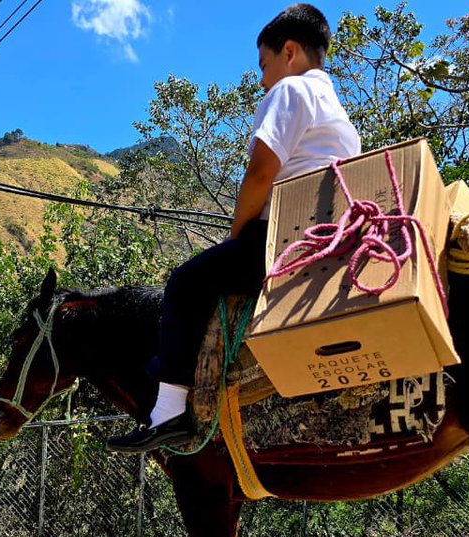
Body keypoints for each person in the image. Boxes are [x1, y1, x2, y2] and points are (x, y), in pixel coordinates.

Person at [108, 4, 361, 452]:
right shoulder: (343, 121)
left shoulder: (291, 92)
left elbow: (261, 174)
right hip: (331, 239)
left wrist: (237, 232)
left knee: (185, 282)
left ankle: (168, 414)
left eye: (264, 66)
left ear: (289, 52)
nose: (263, 79)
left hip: (284, 239)